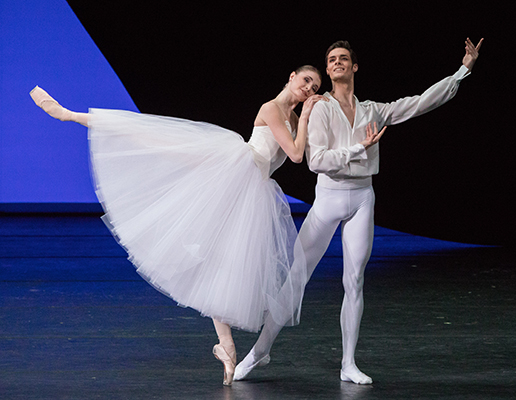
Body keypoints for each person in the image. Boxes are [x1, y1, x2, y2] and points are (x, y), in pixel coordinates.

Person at [29, 65, 326, 386]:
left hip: (251, 185)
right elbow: (295, 155)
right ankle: (70, 115)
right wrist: (308, 116)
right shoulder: (272, 109)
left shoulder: (294, 119)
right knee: (161, 142)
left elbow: (311, 156)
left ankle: (226, 345)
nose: (309, 88)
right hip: (234, 169)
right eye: (306, 80)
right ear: (292, 76)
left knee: (219, 261)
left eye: (315, 85)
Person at [234, 38, 484, 384]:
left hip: (362, 198)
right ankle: (259, 351)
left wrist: (462, 71)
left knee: (354, 281)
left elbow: (419, 103)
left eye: (343, 59)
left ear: (354, 67)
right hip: (328, 200)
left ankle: (348, 363)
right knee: (297, 277)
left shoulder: (373, 110)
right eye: (331, 59)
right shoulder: (319, 107)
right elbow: (316, 160)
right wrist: (359, 147)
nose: (336, 63)